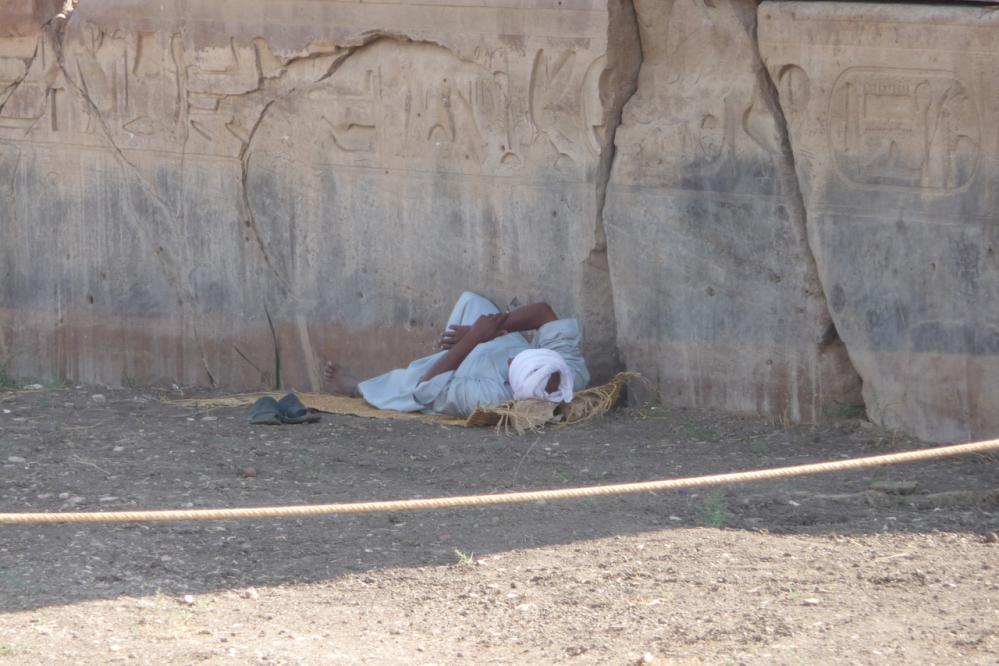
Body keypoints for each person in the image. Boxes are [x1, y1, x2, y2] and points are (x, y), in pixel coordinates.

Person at [323, 291, 590, 417]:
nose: (512, 358)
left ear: (516, 383)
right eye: (522, 356)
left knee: (411, 386)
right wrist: (494, 329)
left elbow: (430, 387)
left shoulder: (490, 397)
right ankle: (475, 334)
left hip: (471, 368)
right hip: (494, 339)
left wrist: (473, 340)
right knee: (473, 301)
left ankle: (359, 387)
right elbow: (544, 312)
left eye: (514, 364)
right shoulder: (567, 371)